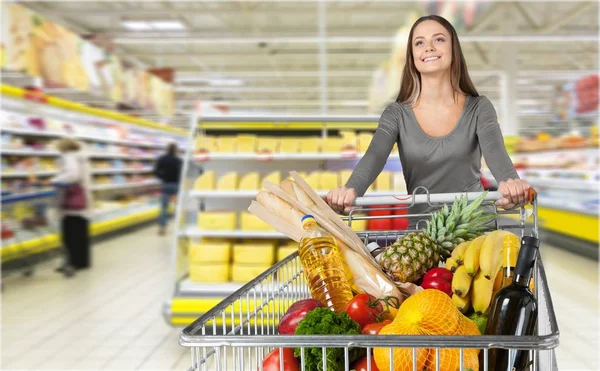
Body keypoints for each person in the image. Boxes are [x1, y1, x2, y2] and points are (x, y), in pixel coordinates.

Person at [327, 15, 530, 214]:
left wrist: (511, 183)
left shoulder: (479, 107)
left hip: (476, 229)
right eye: (419, 43)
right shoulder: (396, 114)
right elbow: (375, 155)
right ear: (412, 56)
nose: (429, 47)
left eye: (439, 39)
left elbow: (496, 152)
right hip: (422, 233)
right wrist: (351, 189)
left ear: (454, 49)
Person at [49, 138, 93, 277]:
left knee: (70, 233)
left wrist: (54, 180)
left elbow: (72, 175)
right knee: (80, 232)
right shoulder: (81, 157)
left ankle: (72, 262)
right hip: (81, 199)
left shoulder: (68, 157)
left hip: (71, 201)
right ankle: (82, 261)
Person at [153, 143, 182, 236]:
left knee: (164, 207)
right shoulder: (179, 160)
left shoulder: (162, 159)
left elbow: (155, 171)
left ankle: (163, 227)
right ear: (175, 150)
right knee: (179, 207)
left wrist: (162, 177)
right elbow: (183, 173)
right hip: (177, 186)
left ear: (167, 149)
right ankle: (180, 226)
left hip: (166, 185)